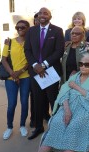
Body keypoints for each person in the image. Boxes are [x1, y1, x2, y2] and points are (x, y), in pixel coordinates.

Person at [36, 53, 89, 152]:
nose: (82, 66)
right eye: (81, 64)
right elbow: (63, 93)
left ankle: (69, 146)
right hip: (68, 105)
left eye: (86, 64)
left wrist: (76, 87)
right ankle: (49, 145)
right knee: (57, 123)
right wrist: (67, 110)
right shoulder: (75, 76)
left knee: (74, 126)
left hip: (86, 109)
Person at [24, 7, 65, 140]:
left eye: (45, 13)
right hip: (35, 72)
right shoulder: (31, 31)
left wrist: (44, 65)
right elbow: (27, 50)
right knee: (37, 100)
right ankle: (38, 127)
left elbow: (59, 51)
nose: (42, 15)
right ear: (37, 17)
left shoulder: (57, 31)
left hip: (51, 71)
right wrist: (36, 65)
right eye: (40, 13)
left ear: (50, 16)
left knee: (53, 100)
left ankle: (57, 129)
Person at [1, 20, 30, 140]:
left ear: (28, 28)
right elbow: (4, 60)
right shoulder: (10, 42)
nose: (20, 29)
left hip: (25, 76)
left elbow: (31, 60)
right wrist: (12, 73)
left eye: (23, 27)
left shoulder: (30, 42)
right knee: (12, 104)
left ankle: (22, 125)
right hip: (10, 78)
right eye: (17, 27)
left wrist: (20, 72)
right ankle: (9, 127)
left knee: (24, 102)